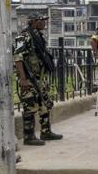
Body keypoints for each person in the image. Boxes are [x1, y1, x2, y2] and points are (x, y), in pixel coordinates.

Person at [14, 13, 63, 146]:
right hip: (29, 78)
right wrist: (23, 79)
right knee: (30, 106)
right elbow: (18, 57)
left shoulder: (38, 36)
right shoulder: (24, 36)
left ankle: (46, 131)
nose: (44, 23)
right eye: (42, 20)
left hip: (39, 77)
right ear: (34, 21)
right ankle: (29, 136)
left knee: (45, 105)